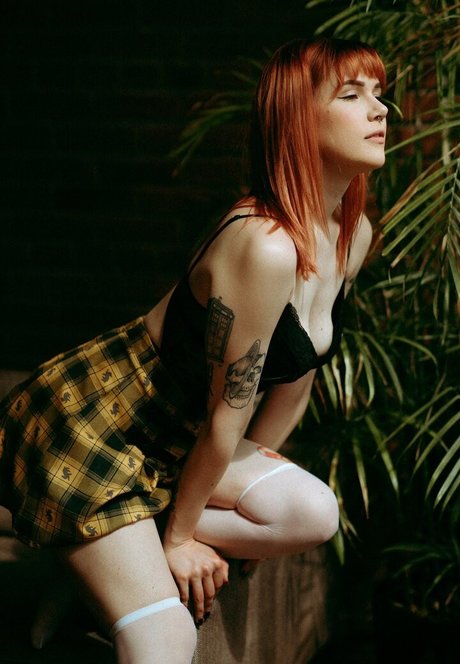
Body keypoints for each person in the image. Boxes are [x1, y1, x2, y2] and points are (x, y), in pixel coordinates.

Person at [0, 36, 388, 663]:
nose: (380, 110)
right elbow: (226, 417)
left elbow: (297, 380)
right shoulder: (265, 245)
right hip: (98, 426)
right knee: (167, 638)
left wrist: (220, 503)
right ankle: (97, 546)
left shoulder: (352, 234)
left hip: (181, 438)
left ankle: (99, 556)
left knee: (312, 512)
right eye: (352, 95)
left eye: (379, 93)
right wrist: (179, 541)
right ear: (298, 118)